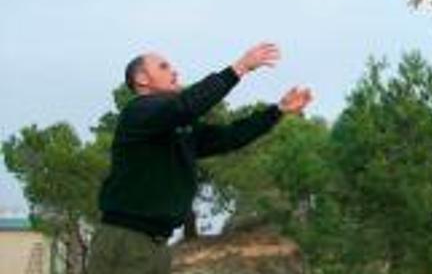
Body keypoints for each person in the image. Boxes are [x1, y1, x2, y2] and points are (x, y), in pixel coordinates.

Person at [86, 42, 313, 274]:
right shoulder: (138, 112)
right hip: (125, 241)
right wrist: (240, 67)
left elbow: (229, 137)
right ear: (142, 79)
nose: (174, 71)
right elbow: (185, 106)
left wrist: (277, 111)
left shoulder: (178, 126)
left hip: (157, 245)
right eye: (164, 67)